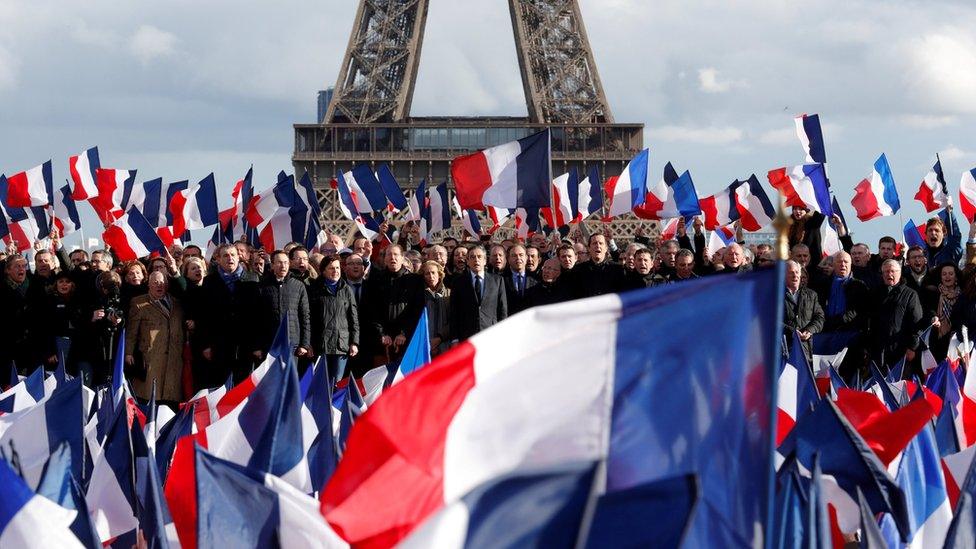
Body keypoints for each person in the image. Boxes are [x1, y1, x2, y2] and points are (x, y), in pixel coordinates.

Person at [198, 243, 260, 387]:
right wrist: (206, 345)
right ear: (218, 259)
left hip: (245, 346)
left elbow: (258, 315)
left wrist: (257, 345)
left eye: (233, 255)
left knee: (243, 389)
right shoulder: (209, 282)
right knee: (220, 388)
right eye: (225, 255)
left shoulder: (253, 279)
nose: (230, 258)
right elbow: (204, 316)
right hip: (219, 346)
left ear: (239, 258)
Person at [125, 272, 185, 404]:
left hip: (173, 359)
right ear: (149, 284)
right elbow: (131, 331)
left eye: (163, 283)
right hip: (151, 357)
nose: (160, 286)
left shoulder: (177, 303)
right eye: (156, 282)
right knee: (149, 396)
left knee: (169, 399)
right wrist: (128, 352)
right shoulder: (139, 303)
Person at [811, 251, 870, 378]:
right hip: (825, 337)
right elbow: (817, 308)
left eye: (846, 262)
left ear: (851, 264)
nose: (843, 264)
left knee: (846, 377)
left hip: (849, 339)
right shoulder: (823, 284)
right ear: (833, 264)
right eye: (839, 261)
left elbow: (859, 311)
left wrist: (839, 320)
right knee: (824, 377)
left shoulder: (859, 286)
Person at [367, 245, 424, 363]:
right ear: (385, 259)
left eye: (396, 254)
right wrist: (381, 334)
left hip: (408, 339)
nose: (392, 257)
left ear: (402, 258)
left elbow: (416, 310)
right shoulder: (376, 280)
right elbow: (372, 310)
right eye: (389, 254)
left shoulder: (414, 280)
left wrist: (404, 333)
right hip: (382, 342)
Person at [869, 259, 924, 371]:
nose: (889, 274)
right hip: (877, 350)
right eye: (886, 271)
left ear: (899, 273)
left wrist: (912, 347)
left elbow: (917, 323)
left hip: (900, 351)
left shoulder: (910, 294)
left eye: (893, 271)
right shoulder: (875, 293)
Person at [310, 255, 359, 380]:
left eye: (337, 268)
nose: (335, 271)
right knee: (321, 383)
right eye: (331, 268)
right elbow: (308, 318)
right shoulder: (314, 288)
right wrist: (308, 343)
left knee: (336, 381)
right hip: (321, 344)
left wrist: (354, 342)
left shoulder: (346, 289)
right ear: (323, 270)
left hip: (341, 345)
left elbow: (353, 318)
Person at [256, 251, 311, 363]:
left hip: (292, 344)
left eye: (286, 262)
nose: (283, 266)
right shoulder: (262, 286)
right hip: (269, 344)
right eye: (279, 262)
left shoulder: (298, 286)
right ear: (272, 265)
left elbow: (305, 316)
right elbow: (255, 317)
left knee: (289, 379)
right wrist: (256, 346)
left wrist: (304, 344)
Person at [0, 256, 46, 374]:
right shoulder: (2, 288)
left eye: (23, 266)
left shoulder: (36, 285)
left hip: (34, 349)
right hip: (8, 352)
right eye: (17, 266)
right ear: (7, 270)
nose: (21, 269)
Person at [450, 245, 507, 341]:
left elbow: (502, 310)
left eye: (479, 257)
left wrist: (502, 334)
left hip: (491, 334)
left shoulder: (497, 280)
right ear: (467, 261)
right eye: (472, 257)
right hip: (466, 336)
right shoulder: (458, 282)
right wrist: (455, 339)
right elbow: (454, 312)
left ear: (485, 261)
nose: (476, 260)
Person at [783, 260, 824, 363]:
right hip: (784, 349)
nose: (795, 275)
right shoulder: (775, 295)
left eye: (797, 272)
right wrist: (792, 332)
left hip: (806, 350)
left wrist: (809, 331)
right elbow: (770, 320)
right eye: (791, 272)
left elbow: (819, 317)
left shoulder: (811, 295)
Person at [924, 263, 962, 362]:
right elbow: (928, 309)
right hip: (937, 338)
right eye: (944, 274)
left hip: (956, 339)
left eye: (950, 274)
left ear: (956, 277)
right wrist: (933, 316)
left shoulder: (963, 295)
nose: (947, 277)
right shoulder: (932, 292)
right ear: (940, 277)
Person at [570, 234, 628, 298]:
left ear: (606, 248)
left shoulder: (618, 270)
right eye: (594, 243)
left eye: (601, 243)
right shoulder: (578, 270)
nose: (598, 246)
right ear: (589, 248)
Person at [419, 260, 451, 355]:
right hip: (424, 344)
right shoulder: (419, 296)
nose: (431, 276)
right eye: (427, 274)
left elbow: (454, 320)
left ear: (440, 274)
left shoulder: (449, 294)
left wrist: (439, 338)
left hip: (445, 343)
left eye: (433, 273)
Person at [503, 244, 538, 315]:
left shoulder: (536, 279)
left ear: (526, 258)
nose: (518, 258)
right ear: (508, 259)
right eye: (514, 255)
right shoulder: (501, 279)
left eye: (521, 255)